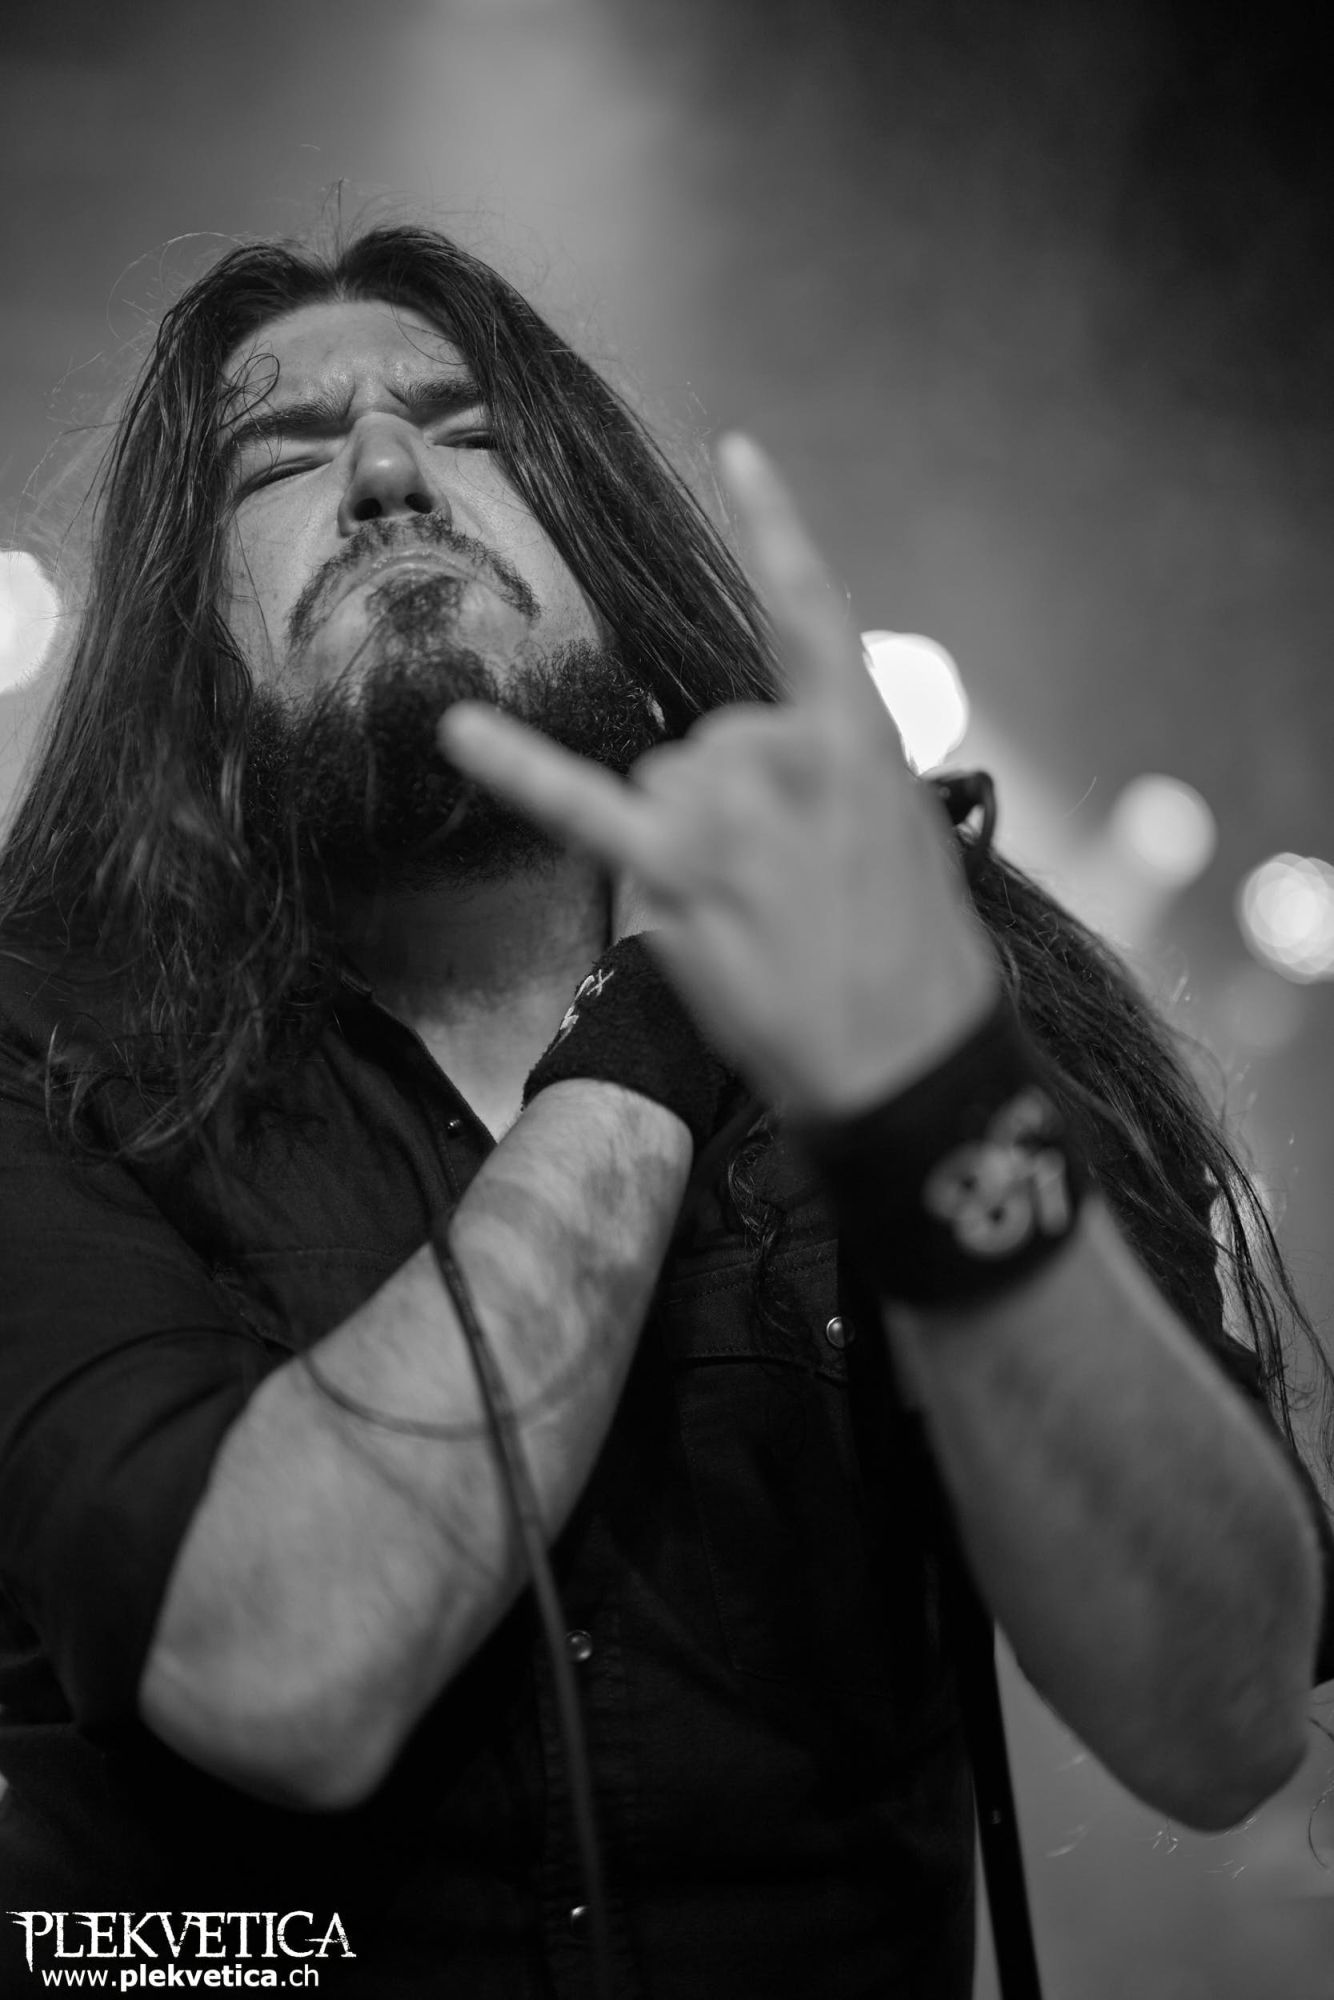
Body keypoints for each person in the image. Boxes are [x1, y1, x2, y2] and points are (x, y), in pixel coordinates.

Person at [0, 222, 1330, 1998]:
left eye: (467, 431)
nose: (389, 473)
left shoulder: (898, 981)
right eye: (284, 459)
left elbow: (1222, 1710)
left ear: (602, 540)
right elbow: (271, 1667)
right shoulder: (45, 1053)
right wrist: (651, 1021)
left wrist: (929, 1093)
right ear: (188, 640)